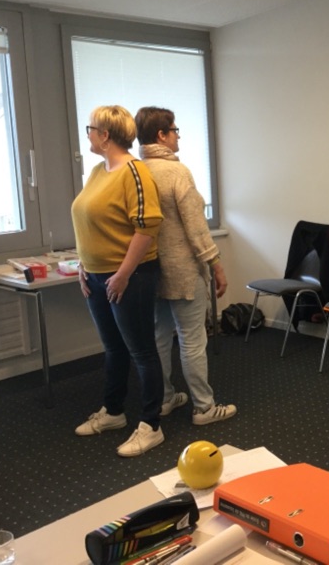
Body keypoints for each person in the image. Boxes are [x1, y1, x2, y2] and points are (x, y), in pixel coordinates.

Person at [71, 105, 166, 457]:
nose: (88, 134)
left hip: (131, 276)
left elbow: (147, 227)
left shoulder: (134, 172)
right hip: (96, 276)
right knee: (113, 348)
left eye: (91, 128)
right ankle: (113, 412)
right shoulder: (99, 171)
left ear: (105, 135)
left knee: (142, 350)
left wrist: (123, 274)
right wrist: (83, 264)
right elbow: (90, 220)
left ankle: (151, 426)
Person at [135, 106, 237, 426]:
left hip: (151, 270)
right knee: (192, 339)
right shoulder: (176, 172)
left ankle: (165, 399)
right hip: (182, 271)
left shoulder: (135, 172)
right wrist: (216, 265)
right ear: (161, 135)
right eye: (174, 130)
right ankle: (204, 408)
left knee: (160, 337)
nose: (178, 136)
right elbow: (196, 227)